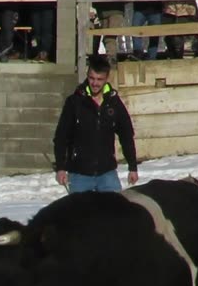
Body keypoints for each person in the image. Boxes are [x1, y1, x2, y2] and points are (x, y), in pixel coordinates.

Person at [53, 56, 139, 194]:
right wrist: (60, 167)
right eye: (92, 78)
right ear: (87, 76)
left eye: (99, 79)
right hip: (79, 174)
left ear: (106, 79)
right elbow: (61, 137)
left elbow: (126, 135)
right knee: (82, 215)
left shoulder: (113, 102)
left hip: (107, 173)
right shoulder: (75, 102)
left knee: (114, 213)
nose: (95, 83)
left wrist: (132, 167)